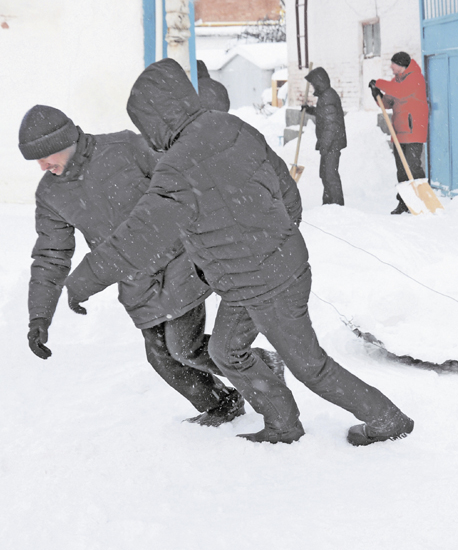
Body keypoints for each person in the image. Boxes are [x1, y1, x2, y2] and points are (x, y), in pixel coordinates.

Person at [65, 58, 414, 447]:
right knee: (227, 349)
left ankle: (387, 419)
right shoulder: (230, 126)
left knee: (311, 366)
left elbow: (134, 239)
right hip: (260, 274)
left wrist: (81, 281)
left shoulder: (176, 169)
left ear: (154, 118)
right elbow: (287, 191)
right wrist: (275, 240)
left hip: (263, 280)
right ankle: (283, 423)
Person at [18, 104, 281, 427]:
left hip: (179, 257)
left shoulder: (124, 148)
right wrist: (40, 317)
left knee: (183, 346)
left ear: (66, 141)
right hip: (134, 279)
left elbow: (183, 179)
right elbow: (50, 255)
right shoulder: (51, 194)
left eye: (47, 156)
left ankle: (262, 364)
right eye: (37, 161)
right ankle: (221, 403)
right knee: (163, 358)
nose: (43, 166)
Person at [369, 51, 429, 215]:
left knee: (413, 166)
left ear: (401, 65)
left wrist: (379, 83)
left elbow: (401, 92)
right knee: (401, 170)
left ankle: (422, 200)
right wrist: (377, 94)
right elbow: (388, 102)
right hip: (398, 133)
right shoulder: (395, 81)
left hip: (414, 130)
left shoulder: (416, 78)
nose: (391, 66)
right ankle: (404, 202)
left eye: (393, 64)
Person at [302, 67, 347, 206]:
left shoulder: (328, 97)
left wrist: (325, 145)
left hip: (332, 143)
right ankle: (329, 204)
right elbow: (325, 115)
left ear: (319, 82)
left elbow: (331, 125)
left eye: (313, 83)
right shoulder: (326, 96)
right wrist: (310, 110)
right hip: (331, 142)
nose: (312, 86)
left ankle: (336, 206)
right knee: (325, 174)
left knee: (330, 175)